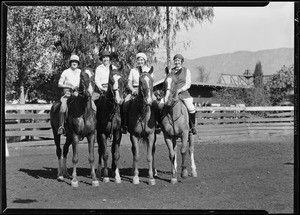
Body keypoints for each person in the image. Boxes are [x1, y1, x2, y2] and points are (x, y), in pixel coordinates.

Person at [121, 52, 161, 134]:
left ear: (145, 61)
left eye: (142, 60)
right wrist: (133, 90)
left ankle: (157, 124)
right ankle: (124, 125)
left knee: (155, 104)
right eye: (138, 60)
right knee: (125, 104)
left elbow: (151, 83)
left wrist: (149, 92)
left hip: (147, 91)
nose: (140, 61)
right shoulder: (133, 70)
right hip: (134, 90)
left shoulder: (149, 70)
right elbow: (129, 83)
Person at [159, 54, 197, 135]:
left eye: (178, 60)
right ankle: (159, 125)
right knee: (160, 105)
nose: (177, 62)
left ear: (181, 61)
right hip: (171, 94)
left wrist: (180, 90)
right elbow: (167, 82)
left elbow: (188, 84)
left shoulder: (186, 71)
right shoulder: (170, 71)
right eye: (175, 60)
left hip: (183, 94)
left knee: (191, 107)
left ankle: (192, 126)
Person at [57, 54, 81, 135]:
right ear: (70, 63)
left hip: (79, 94)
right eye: (73, 61)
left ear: (78, 63)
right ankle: (61, 126)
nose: (74, 63)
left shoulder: (80, 72)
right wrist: (69, 86)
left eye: (76, 62)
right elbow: (59, 84)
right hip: (68, 94)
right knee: (63, 107)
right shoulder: (65, 72)